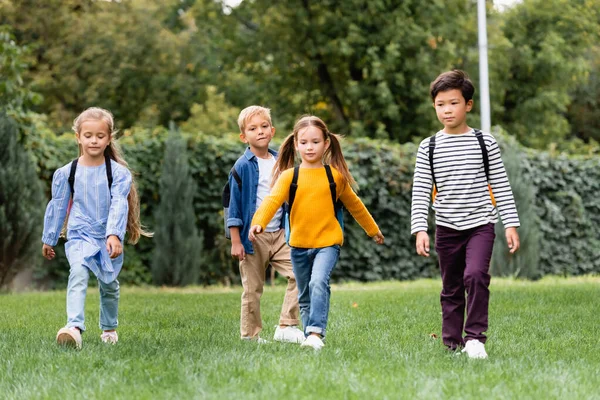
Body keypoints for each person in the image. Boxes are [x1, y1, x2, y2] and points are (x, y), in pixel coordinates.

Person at [249, 115, 385, 350]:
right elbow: (272, 201)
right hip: (299, 244)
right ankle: (309, 335)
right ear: (296, 144)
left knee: (318, 282)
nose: (309, 147)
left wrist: (373, 230)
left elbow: (356, 205)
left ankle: (315, 334)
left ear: (326, 144)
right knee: (304, 294)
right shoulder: (289, 176)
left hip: (328, 243)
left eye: (315, 142)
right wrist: (259, 222)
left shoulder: (335, 177)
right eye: (304, 142)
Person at [410, 70, 520, 359]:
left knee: (476, 275)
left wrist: (510, 223)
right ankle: (452, 343)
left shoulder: (485, 143)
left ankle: (475, 338)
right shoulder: (429, 147)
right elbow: (421, 190)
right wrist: (420, 228)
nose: (447, 110)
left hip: (481, 224)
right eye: (440, 104)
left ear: (468, 105)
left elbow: (500, 183)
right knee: (452, 286)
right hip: (446, 227)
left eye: (454, 103)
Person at [42, 107, 152, 349]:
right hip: (79, 233)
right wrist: (49, 238)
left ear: (109, 138)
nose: (94, 140)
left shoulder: (118, 173)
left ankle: (109, 328)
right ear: (78, 137)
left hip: (106, 236)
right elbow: (58, 206)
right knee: (78, 273)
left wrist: (114, 234)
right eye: (88, 135)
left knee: (109, 284)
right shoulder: (67, 173)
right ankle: (74, 327)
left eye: (100, 136)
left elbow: (118, 206)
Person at [227, 105, 304, 344]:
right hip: (252, 238)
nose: (259, 132)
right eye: (253, 128)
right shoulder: (242, 166)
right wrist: (236, 241)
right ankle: (250, 336)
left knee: (300, 273)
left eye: (263, 127)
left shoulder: (282, 162)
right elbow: (233, 206)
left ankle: (287, 325)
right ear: (244, 136)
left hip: (280, 234)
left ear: (272, 131)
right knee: (252, 290)